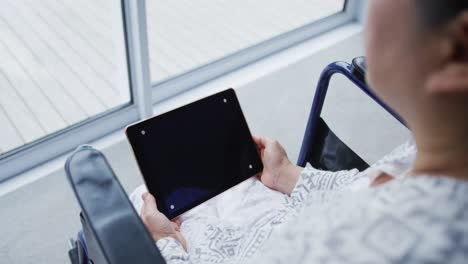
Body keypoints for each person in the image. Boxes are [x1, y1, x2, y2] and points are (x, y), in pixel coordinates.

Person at [132, 0, 468, 263]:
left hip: (253, 246)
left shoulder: (347, 246)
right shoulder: (434, 151)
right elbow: (360, 188)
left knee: (146, 197)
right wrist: (288, 175)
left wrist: (164, 245)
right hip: (296, 210)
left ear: (455, 50)